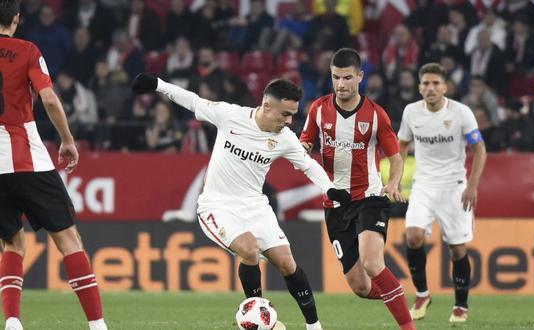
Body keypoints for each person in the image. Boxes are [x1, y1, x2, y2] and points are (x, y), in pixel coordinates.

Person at [132, 73, 352, 330]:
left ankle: (314, 327)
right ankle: (257, 320)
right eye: (285, 114)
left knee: (287, 262)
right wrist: (157, 85)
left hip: (255, 206)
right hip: (217, 205)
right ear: (267, 105)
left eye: (292, 114)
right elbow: (193, 101)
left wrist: (330, 189)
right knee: (249, 249)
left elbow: (309, 166)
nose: (289, 121)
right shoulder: (230, 116)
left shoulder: (285, 138)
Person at [0, 1, 107, 330]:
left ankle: (14, 322)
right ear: (16, 19)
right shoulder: (28, 49)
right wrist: (68, 139)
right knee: (68, 239)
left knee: (11, 242)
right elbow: (48, 98)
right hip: (27, 157)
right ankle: (97, 325)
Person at [299, 48, 415, 330]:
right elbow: (306, 143)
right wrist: (298, 150)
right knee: (361, 287)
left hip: (369, 199)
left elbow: (395, 156)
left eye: (347, 78)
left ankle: (409, 327)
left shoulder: (375, 115)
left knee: (373, 263)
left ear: (360, 77)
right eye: (336, 77)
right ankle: (395, 294)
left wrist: (392, 182)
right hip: (335, 206)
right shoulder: (318, 109)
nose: (341, 84)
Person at [398, 63, 487, 323]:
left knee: (457, 249)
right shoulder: (411, 112)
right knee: (413, 237)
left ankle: (461, 305)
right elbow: (401, 144)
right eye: (425, 83)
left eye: (436, 83)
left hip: (454, 187)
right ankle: (423, 294)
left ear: (445, 87)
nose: (430, 88)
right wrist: (395, 178)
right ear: (419, 87)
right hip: (423, 186)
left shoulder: (461, 113)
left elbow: (479, 150)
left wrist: (472, 185)